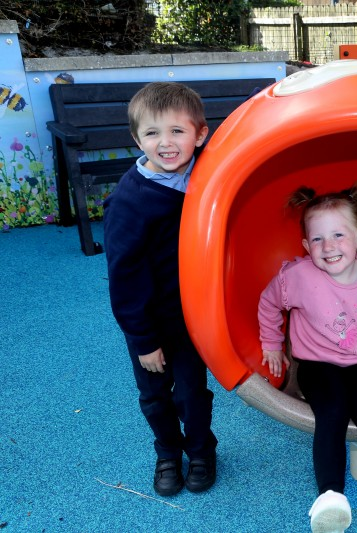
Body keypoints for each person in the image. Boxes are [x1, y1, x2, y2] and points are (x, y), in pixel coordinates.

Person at [258, 187, 357, 533]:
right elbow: (269, 303)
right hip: (317, 365)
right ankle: (330, 496)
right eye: (317, 239)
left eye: (338, 235)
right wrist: (272, 344)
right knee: (330, 414)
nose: (328, 247)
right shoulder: (297, 277)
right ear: (306, 247)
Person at [104, 82, 217, 497]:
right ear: (137, 139)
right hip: (150, 324)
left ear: (199, 134)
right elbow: (124, 277)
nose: (166, 143)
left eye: (177, 131)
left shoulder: (209, 171)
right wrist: (143, 340)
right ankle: (168, 451)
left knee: (192, 393)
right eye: (152, 133)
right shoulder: (129, 202)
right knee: (155, 395)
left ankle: (202, 450)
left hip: (191, 318)